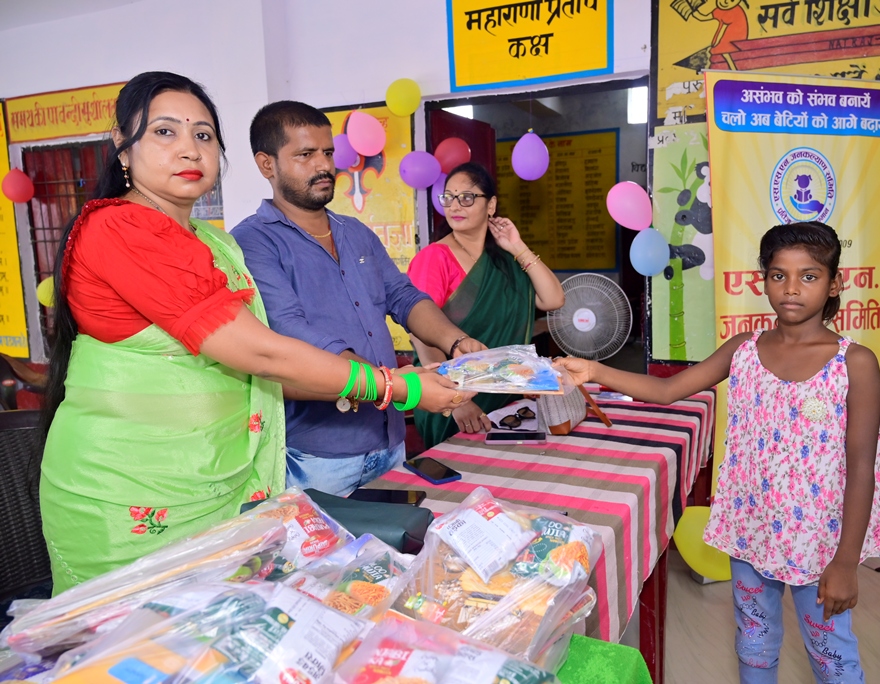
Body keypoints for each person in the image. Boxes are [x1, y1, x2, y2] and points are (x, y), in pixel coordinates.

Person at [39, 73, 463, 593]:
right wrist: (400, 386)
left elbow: (397, 298)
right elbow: (261, 352)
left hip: (217, 473)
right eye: (165, 132)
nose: (189, 149)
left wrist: (446, 350)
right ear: (122, 145)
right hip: (135, 487)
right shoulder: (121, 228)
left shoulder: (212, 242)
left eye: (203, 135)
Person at [556, 222, 880, 683]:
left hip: (819, 540)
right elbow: (668, 390)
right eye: (778, 275)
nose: (791, 288)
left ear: (834, 283)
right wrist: (595, 370)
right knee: (754, 642)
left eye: (809, 276)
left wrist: (845, 563)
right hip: (750, 527)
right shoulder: (744, 349)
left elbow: (861, 469)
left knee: (831, 655)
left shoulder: (854, 363)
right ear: (764, 281)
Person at [232, 101, 485, 496]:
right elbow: (292, 333)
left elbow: (403, 297)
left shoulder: (355, 232)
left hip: (388, 439)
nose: (324, 165)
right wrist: (400, 386)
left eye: (327, 152)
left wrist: (456, 341)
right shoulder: (253, 241)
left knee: (396, 536)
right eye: (305, 155)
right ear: (267, 164)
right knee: (324, 541)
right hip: (318, 453)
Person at [407, 162, 565, 447]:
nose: (455, 206)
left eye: (467, 197)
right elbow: (420, 333)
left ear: (490, 205)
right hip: (450, 400)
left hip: (505, 396)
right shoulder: (434, 258)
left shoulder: (504, 262)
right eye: (448, 197)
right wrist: (456, 399)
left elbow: (553, 299)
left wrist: (518, 247)